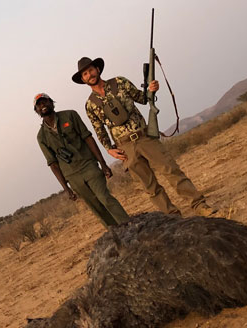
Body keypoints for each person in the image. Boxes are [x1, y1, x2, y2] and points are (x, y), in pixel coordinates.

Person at [72, 56, 219, 217]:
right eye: (85, 74)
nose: (89, 75)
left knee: (171, 171)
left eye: (91, 70)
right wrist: (110, 150)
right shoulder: (90, 104)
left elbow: (142, 98)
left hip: (144, 136)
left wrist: (151, 89)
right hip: (125, 147)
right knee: (149, 186)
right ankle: (173, 216)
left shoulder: (119, 82)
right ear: (83, 79)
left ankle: (199, 205)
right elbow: (99, 130)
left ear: (97, 69)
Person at [34, 92, 130, 227]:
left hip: (88, 165)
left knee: (104, 198)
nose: (42, 105)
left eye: (45, 101)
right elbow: (53, 164)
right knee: (95, 206)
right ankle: (115, 233)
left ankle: (129, 226)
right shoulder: (41, 136)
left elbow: (88, 138)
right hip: (72, 176)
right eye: (39, 105)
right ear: (36, 111)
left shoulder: (70, 115)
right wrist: (66, 188)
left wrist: (103, 164)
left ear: (52, 102)